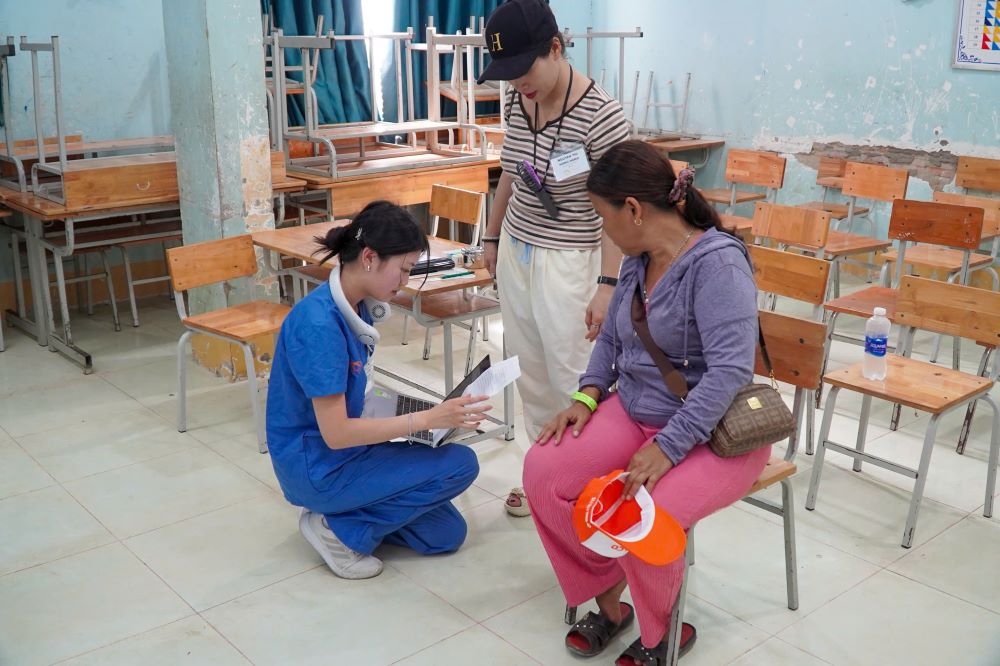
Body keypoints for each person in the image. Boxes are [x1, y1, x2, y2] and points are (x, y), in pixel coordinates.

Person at [522, 140, 771, 665]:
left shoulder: (717, 265)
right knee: (544, 470)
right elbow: (611, 342)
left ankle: (663, 633)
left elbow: (730, 371)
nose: (601, 230)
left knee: (646, 514)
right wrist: (587, 396)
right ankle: (611, 603)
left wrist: (671, 447)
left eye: (602, 216)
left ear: (633, 209)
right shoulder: (638, 260)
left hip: (712, 430)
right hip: (637, 413)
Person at [265, 201, 490, 580]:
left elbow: (361, 398)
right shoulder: (318, 325)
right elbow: (336, 434)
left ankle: (349, 515)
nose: (403, 281)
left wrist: (430, 420)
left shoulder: (357, 308)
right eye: (402, 270)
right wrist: (424, 418)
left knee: (446, 535)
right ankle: (336, 529)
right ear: (369, 257)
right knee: (460, 464)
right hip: (320, 466)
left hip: (351, 451)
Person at [477, 0, 632, 516]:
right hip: (518, 248)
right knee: (529, 371)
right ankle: (539, 469)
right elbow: (513, 173)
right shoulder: (517, 98)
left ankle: (588, 479)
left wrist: (608, 283)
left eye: (524, 70)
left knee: (575, 373)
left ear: (555, 48)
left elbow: (619, 207)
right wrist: (492, 238)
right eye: (507, 73)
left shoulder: (602, 115)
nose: (517, 82)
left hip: (570, 257)